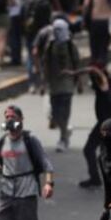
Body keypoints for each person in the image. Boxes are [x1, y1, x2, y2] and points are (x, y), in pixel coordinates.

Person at [79, 62, 111, 189]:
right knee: (103, 153)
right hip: (106, 124)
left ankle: (99, 179)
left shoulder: (104, 86)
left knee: (93, 151)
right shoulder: (108, 86)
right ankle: (97, 178)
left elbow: (93, 69)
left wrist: (73, 72)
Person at [42, 19, 81, 151]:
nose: (57, 32)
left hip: (67, 84)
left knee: (64, 112)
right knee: (55, 113)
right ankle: (65, 132)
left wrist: (79, 82)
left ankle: (63, 138)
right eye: (55, 29)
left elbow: (77, 64)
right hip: (54, 84)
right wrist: (44, 83)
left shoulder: (71, 45)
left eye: (60, 29)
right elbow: (46, 64)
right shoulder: (50, 45)